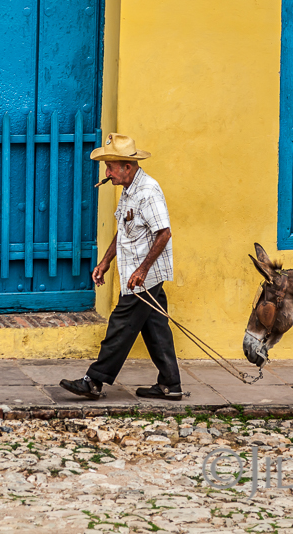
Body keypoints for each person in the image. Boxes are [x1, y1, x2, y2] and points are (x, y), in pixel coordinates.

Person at [59, 133, 183, 400]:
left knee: (120, 325)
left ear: (128, 166)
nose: (107, 173)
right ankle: (171, 385)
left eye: (111, 167)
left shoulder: (148, 192)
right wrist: (105, 262)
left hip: (141, 278)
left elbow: (164, 233)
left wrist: (142, 271)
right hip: (136, 275)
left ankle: (93, 381)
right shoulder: (129, 191)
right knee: (155, 327)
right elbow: (124, 232)